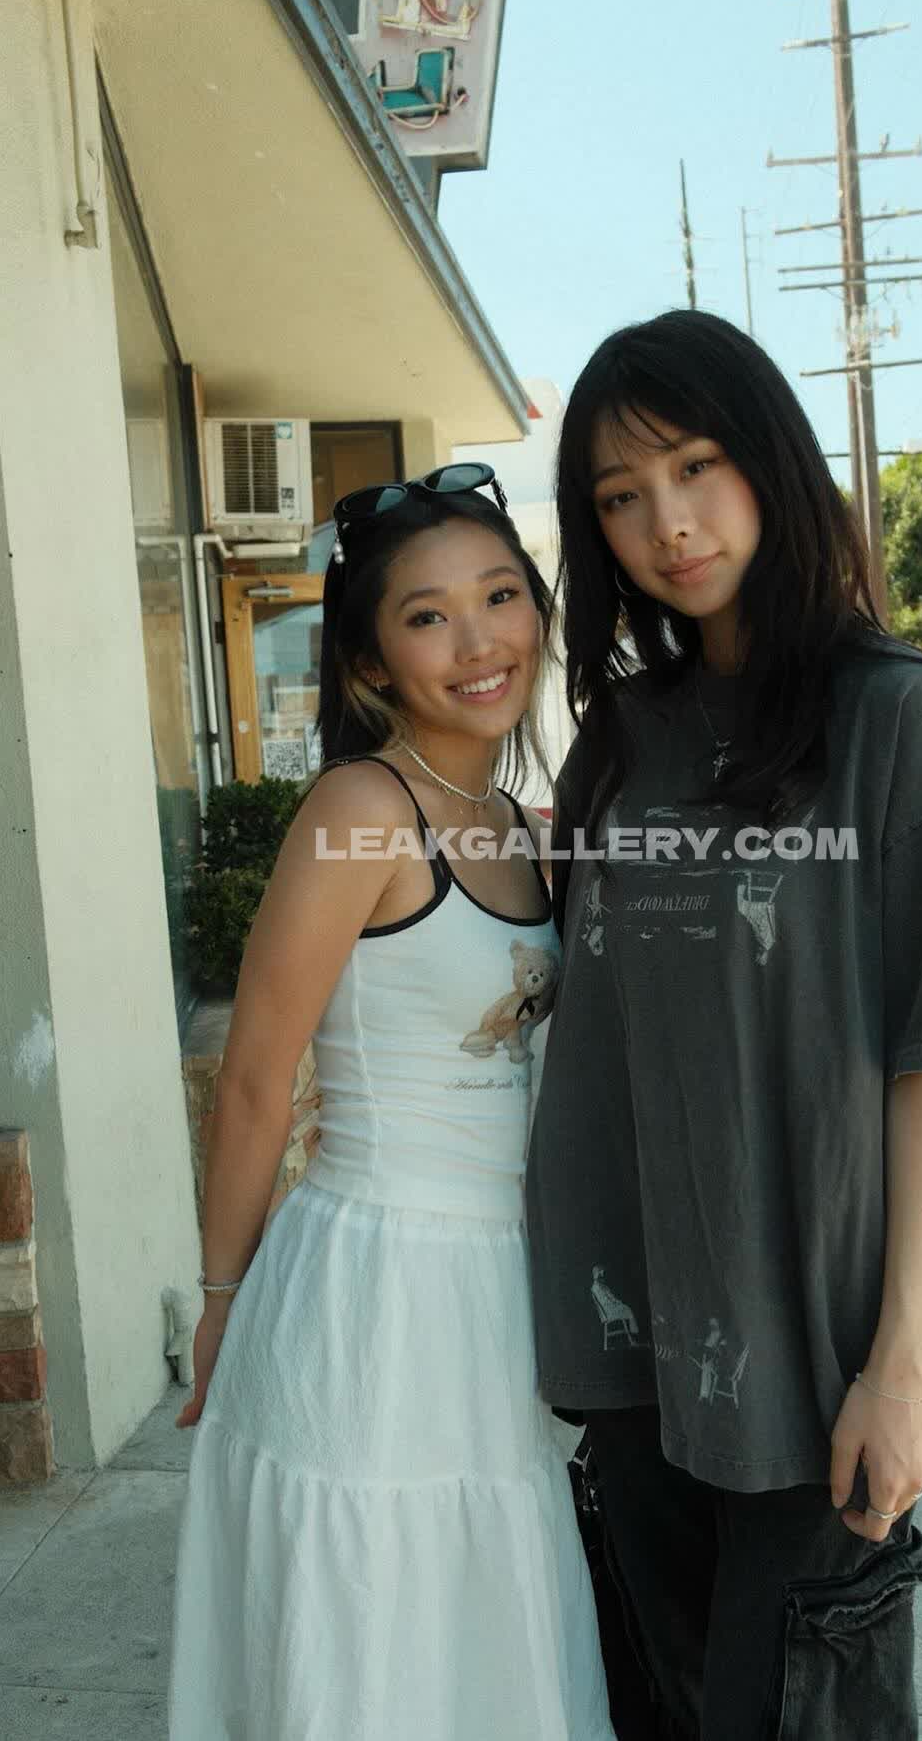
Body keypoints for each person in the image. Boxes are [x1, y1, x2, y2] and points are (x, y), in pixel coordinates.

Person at [525, 311, 922, 1740]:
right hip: (628, 1351)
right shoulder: (620, 737)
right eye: (620, 495)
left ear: (768, 458)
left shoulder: (896, 714)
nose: (667, 522)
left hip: (810, 1363)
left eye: (694, 465)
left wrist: (904, 1364)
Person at [168, 464, 613, 1741]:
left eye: (501, 595)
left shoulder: (516, 820)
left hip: (496, 1285)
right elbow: (256, 1077)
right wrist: (220, 1295)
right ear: (370, 660)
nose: (479, 641)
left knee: (480, 1610)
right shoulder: (363, 807)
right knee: (370, 1612)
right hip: (373, 1284)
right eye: (428, 615)